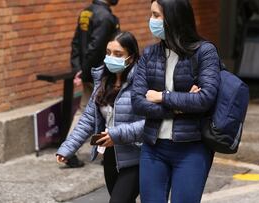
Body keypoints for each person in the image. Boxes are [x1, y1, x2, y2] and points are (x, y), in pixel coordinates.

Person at [131, 0, 221, 202]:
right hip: (153, 147)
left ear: (173, 18)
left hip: (192, 147)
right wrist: (179, 107)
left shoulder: (204, 52)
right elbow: (137, 102)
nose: (151, 21)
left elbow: (205, 99)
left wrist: (161, 96)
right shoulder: (149, 54)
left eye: (156, 15)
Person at [57, 32, 144, 203]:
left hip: (137, 156)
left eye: (118, 54)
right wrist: (68, 148)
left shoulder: (142, 82)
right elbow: (88, 119)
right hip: (110, 154)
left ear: (131, 57)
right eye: (108, 52)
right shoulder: (103, 81)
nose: (111, 57)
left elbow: (149, 122)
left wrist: (117, 135)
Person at [67, 0, 120, 168]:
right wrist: (85, 70)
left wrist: (79, 69)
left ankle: (70, 150)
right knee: (109, 110)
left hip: (89, 70)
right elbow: (96, 47)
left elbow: (76, 42)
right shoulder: (105, 16)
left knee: (84, 110)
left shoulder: (86, 12)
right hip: (101, 73)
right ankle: (107, 152)